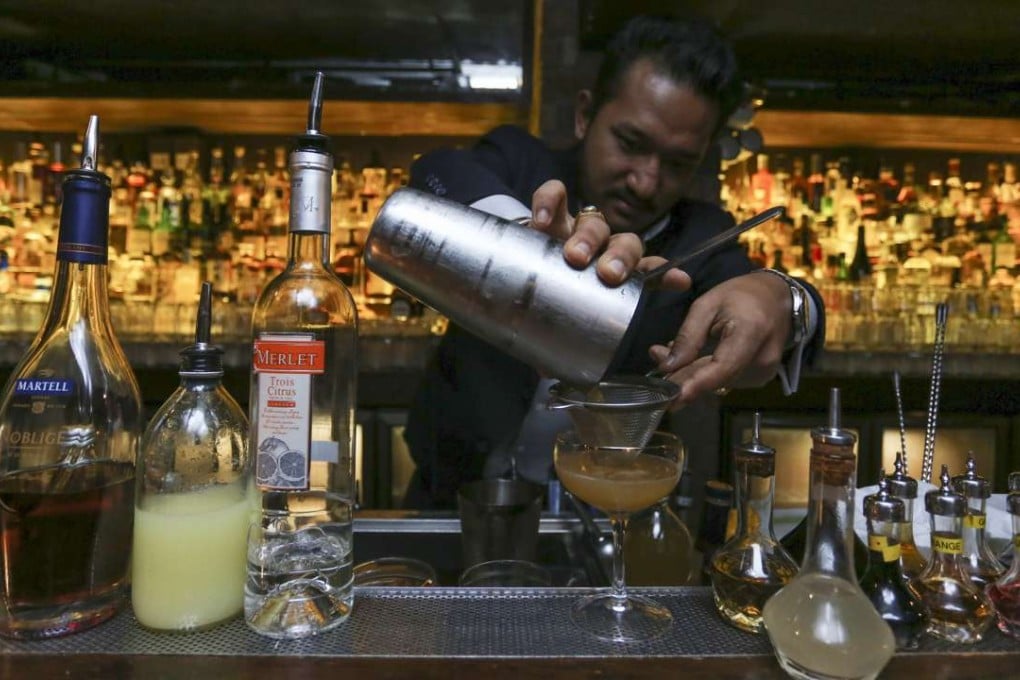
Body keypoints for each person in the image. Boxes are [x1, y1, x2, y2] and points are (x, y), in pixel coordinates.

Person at [401, 14, 824, 509]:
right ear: (585, 116)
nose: (646, 181)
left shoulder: (703, 238)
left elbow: (789, 315)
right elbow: (438, 172)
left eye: (678, 163)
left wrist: (784, 298)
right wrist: (523, 243)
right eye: (631, 143)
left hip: (613, 516)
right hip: (452, 501)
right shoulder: (521, 164)